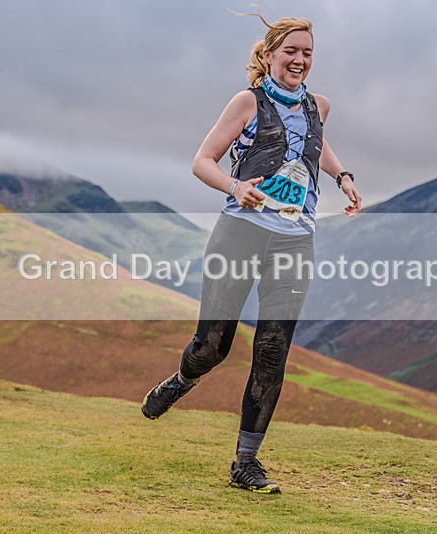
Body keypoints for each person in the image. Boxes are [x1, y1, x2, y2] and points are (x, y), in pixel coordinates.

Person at [141, 14, 360, 495]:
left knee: (272, 351)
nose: (300, 60)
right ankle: (183, 378)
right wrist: (235, 186)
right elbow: (202, 161)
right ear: (268, 55)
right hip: (239, 233)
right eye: (291, 52)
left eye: (307, 53)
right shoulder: (246, 102)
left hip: (293, 239)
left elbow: (316, 146)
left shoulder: (319, 105)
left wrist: (342, 177)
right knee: (213, 347)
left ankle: (246, 462)